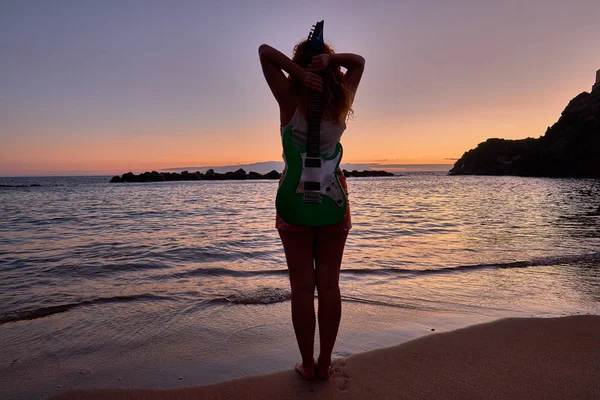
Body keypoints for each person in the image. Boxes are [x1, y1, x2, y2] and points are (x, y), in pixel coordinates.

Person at [258, 39, 364, 380]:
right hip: (333, 197)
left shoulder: (289, 98)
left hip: (293, 196)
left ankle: (307, 363)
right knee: (329, 285)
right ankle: (325, 363)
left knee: (302, 287)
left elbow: (264, 52)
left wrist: (299, 72)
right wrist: (330, 62)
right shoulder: (340, 99)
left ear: (299, 63)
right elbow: (359, 62)